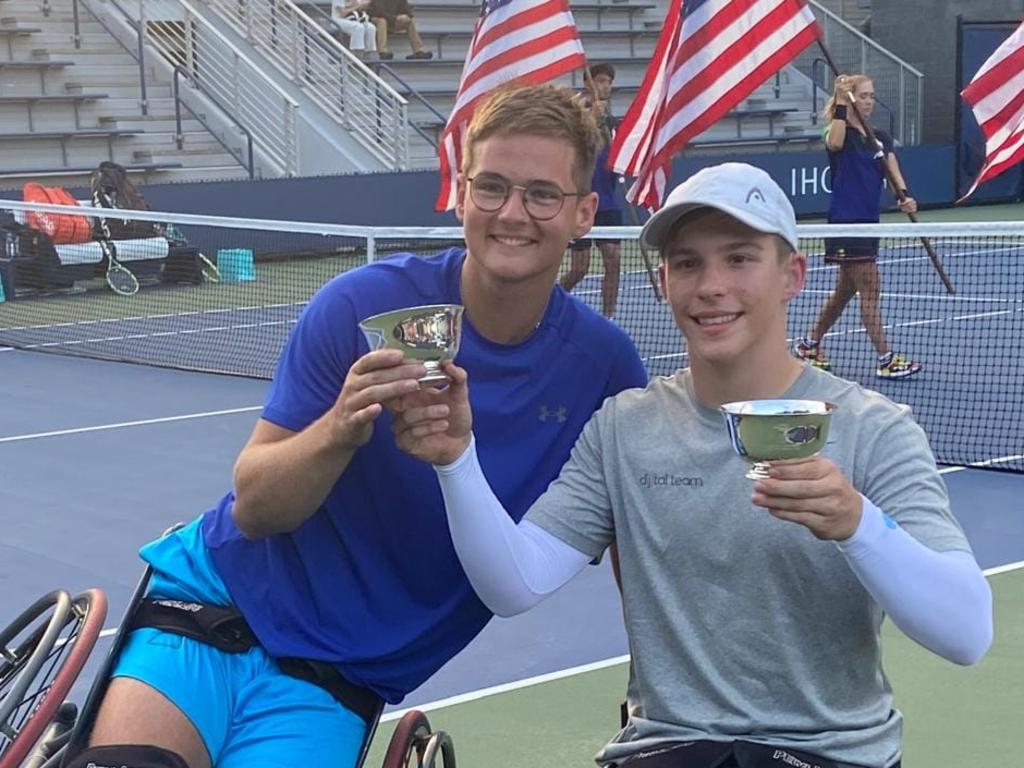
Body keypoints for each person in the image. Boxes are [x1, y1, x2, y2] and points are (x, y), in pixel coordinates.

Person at [67, 83, 647, 768]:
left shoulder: (604, 372)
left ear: (583, 213)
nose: (512, 213)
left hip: (333, 683)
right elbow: (255, 508)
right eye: (490, 187)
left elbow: (636, 556)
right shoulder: (361, 305)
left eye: (541, 194)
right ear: (460, 193)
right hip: (211, 608)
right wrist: (342, 426)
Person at [392, 162, 993, 768]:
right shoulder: (622, 427)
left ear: (793, 276)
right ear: (664, 281)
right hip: (668, 748)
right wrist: (456, 460)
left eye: (738, 258)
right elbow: (514, 584)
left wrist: (857, 524)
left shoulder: (874, 430)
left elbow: (966, 633)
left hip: (830, 755)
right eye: (688, 263)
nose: (709, 285)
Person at [795, 74, 922, 379]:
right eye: (863, 95)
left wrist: (904, 197)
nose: (869, 101)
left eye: (871, 96)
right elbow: (834, 142)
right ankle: (886, 358)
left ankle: (809, 345)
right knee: (870, 287)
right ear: (851, 98)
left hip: (869, 223)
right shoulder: (839, 132)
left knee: (845, 290)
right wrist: (839, 101)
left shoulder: (879, 136)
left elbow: (892, 169)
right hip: (846, 222)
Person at [561, 63, 624, 318]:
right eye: (600, 81)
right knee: (580, 267)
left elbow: (615, 154)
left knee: (613, 260)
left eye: (608, 82)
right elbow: (575, 142)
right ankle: (545, 303)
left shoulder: (612, 121)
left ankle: (609, 317)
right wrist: (591, 118)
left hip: (608, 201)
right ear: (588, 84)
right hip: (582, 200)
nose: (605, 86)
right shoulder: (576, 116)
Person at [366, 0, 433, 60]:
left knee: (409, 22)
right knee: (382, 21)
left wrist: (407, 16)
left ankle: (418, 51)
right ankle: (383, 52)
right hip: (375, 21)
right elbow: (379, 12)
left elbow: (407, 10)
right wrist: (395, 18)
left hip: (391, 20)